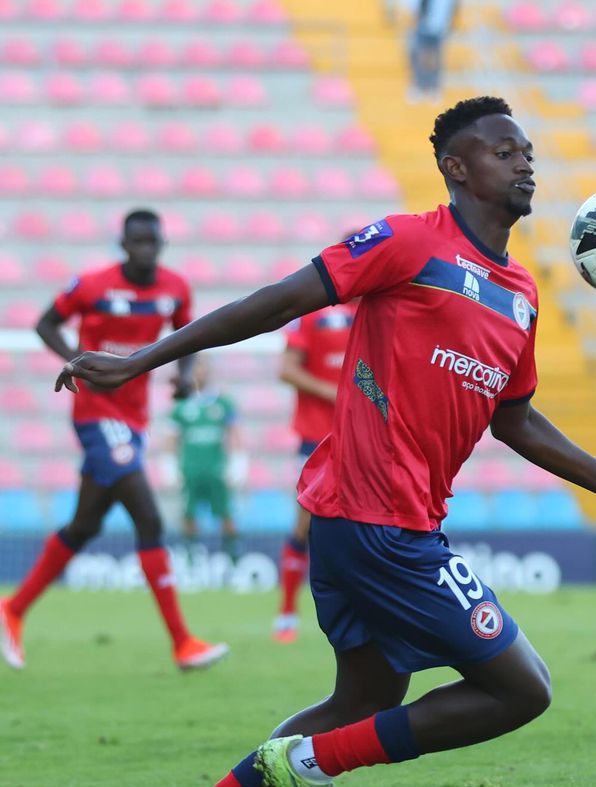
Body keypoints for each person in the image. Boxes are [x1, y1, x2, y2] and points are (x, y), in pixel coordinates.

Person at [55, 97, 596, 787]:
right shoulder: (406, 241)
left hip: (380, 523)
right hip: (374, 521)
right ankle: (309, 766)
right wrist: (144, 357)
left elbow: (516, 421)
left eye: (528, 151)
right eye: (504, 151)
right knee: (522, 689)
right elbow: (281, 300)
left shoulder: (520, 295)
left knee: (360, 701)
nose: (525, 163)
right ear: (456, 167)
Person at [0, 209, 228, 672]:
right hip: (96, 414)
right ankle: (182, 642)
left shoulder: (175, 288)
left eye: (152, 242)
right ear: (123, 244)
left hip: (134, 417)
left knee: (83, 526)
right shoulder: (91, 285)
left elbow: (189, 339)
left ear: (161, 244)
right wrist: (76, 361)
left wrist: (186, 378)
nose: (145, 249)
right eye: (137, 242)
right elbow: (46, 324)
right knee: (147, 517)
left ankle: (13, 609)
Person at [273, 300, 355, 643]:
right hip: (317, 437)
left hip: (366, 436)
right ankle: (288, 612)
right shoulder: (313, 314)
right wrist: (334, 392)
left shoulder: (384, 308)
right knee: (305, 525)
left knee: (364, 527)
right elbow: (286, 369)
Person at [167, 356, 244, 562]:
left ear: (208, 371)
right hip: (190, 469)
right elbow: (172, 439)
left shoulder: (223, 402)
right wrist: (169, 465)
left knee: (225, 514)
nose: (198, 372)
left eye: (201, 367)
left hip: (217, 468)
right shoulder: (181, 404)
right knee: (188, 515)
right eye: (194, 368)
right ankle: (191, 559)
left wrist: (238, 462)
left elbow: (234, 433)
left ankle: (233, 558)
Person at [408, 0, 459, 100]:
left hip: (439, 28)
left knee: (436, 58)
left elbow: (452, 10)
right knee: (419, 56)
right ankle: (419, 84)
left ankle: (434, 86)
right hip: (422, 27)